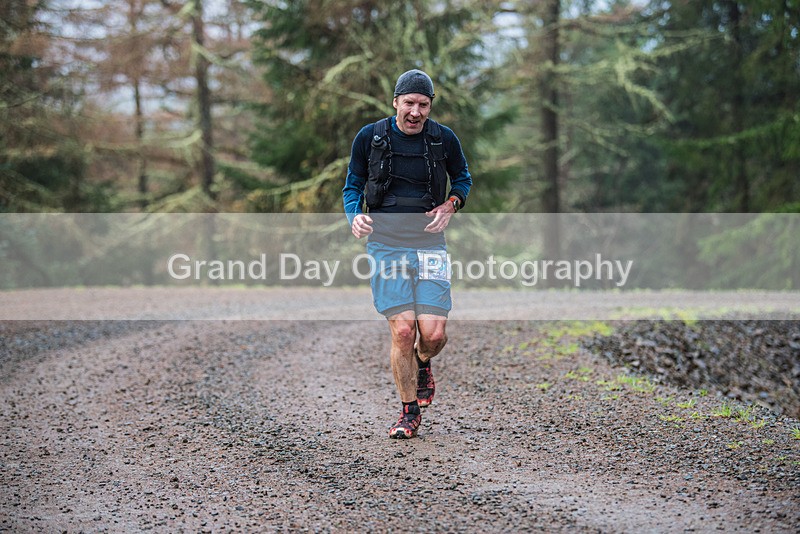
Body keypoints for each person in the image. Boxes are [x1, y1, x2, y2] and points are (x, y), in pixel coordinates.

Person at [342, 69, 472, 439]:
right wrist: (355, 216)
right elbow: (352, 185)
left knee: (432, 334)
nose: (416, 112)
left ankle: (423, 360)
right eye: (409, 103)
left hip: (430, 245)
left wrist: (451, 203)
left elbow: (462, 177)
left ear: (430, 106)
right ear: (396, 102)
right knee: (402, 330)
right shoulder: (371, 137)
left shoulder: (443, 139)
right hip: (385, 244)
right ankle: (408, 411)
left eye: (424, 105)